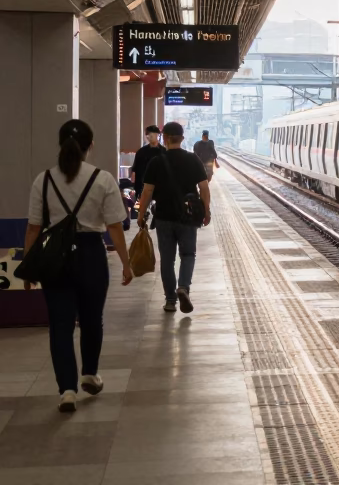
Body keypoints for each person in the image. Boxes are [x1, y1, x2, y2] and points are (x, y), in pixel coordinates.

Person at [21, 119, 133, 413]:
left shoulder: (43, 180)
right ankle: (90, 374)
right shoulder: (103, 179)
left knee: (60, 326)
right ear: (90, 146)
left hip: (54, 258)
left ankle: (67, 390)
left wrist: (30, 269)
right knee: (91, 320)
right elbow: (115, 227)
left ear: (60, 145)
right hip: (91, 255)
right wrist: (126, 263)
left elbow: (33, 228)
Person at [136, 122, 210, 314]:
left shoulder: (156, 162)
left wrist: (141, 214)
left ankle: (170, 300)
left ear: (164, 138)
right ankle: (183, 287)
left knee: (167, 260)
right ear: (182, 138)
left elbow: (147, 192)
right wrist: (207, 210)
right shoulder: (193, 159)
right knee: (188, 255)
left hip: (163, 217)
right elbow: (204, 188)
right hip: (188, 216)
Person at [129, 125, 165, 195]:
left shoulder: (164, 152)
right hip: (142, 187)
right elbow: (135, 169)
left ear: (158, 135)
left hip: (160, 187)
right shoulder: (141, 152)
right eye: (148, 135)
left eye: (153, 135)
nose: (150, 137)